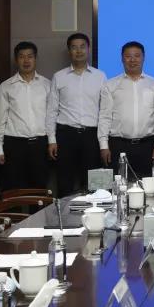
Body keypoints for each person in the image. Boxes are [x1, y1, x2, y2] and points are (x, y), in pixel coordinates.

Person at [46, 33, 106, 196]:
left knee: (94, 185)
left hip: (92, 136)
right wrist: (52, 140)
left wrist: (104, 143)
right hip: (66, 135)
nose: (78, 51)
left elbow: (105, 111)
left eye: (82, 47)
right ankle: (64, 213)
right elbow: (52, 111)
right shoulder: (59, 77)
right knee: (64, 182)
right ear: (69, 51)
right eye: (74, 47)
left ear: (88, 49)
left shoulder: (100, 76)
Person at [98, 41, 154, 178]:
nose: (132, 60)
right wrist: (104, 146)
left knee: (148, 185)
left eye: (137, 56)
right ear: (122, 59)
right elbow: (104, 117)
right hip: (118, 145)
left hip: (148, 146)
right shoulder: (110, 85)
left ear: (143, 58)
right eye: (128, 56)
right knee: (119, 185)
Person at [0, 41, 50, 190]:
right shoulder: (6, 86)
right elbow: (0, 119)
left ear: (35, 59)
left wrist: (52, 141)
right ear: (16, 59)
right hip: (14, 145)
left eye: (30, 56)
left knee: (39, 188)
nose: (26, 60)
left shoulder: (47, 85)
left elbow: (52, 118)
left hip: (40, 145)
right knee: (14, 189)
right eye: (21, 56)